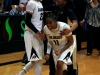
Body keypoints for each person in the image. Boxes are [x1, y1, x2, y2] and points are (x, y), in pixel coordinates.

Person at [43, 0, 78, 75]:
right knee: (55, 65)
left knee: (70, 64)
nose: (56, 0)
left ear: (65, 1)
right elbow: (42, 8)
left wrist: (69, 30)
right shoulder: (54, 8)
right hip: (55, 38)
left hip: (67, 38)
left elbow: (75, 23)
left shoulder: (68, 10)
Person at [17, 0, 45, 75]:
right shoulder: (31, 3)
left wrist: (42, 31)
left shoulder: (40, 3)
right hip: (31, 33)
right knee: (37, 60)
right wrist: (39, 34)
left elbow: (40, 20)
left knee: (37, 59)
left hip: (37, 33)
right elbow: (27, 22)